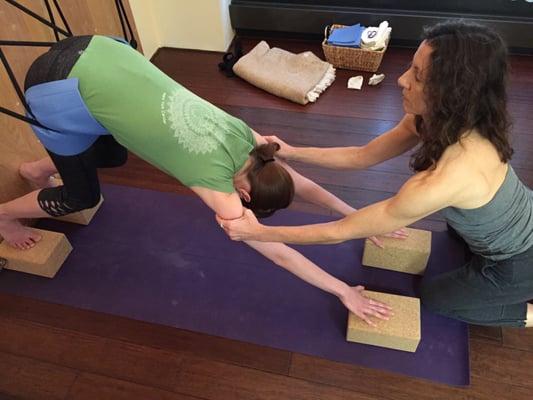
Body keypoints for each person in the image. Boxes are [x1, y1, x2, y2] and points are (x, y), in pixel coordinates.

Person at [0, 35, 405, 325]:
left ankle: (38, 169)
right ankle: (4, 215)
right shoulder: (217, 185)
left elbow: (301, 182)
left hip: (100, 48)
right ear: (243, 194)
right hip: (56, 85)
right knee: (82, 195)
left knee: (113, 153)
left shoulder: (253, 142)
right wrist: (343, 290)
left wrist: (357, 217)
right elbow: (276, 250)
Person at [219, 20, 533, 328]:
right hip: (502, 229)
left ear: (453, 93)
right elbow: (361, 155)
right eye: (412, 68)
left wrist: (259, 233)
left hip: (517, 262)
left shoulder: (448, 177)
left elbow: (341, 231)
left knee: (434, 298)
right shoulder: (443, 118)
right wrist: (291, 151)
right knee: (455, 242)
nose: (401, 80)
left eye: (418, 77)